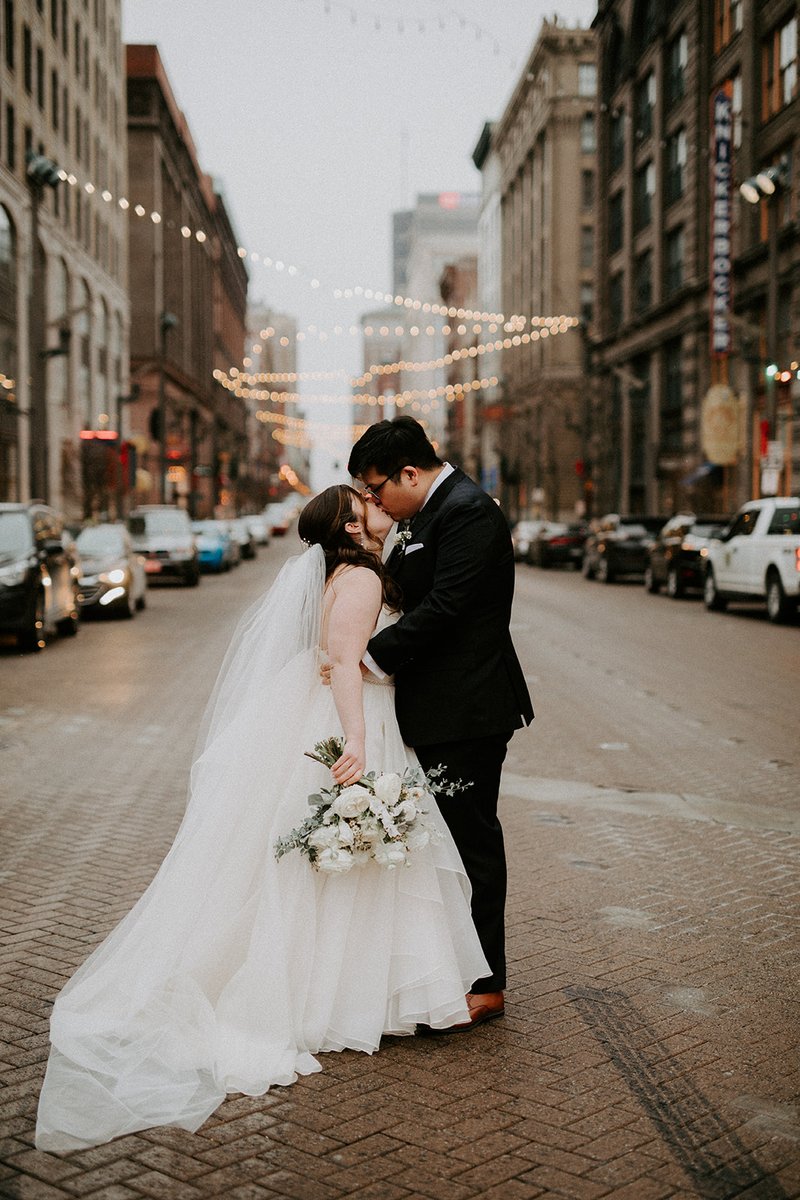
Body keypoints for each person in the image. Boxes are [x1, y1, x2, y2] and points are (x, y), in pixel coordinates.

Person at [35, 485, 488, 1154]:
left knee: (344, 859)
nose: (376, 502)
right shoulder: (362, 577)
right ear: (349, 525)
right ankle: (351, 997)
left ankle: (360, 990)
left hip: (338, 710)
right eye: (364, 500)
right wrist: (356, 741)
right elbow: (344, 662)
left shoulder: (340, 573)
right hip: (356, 718)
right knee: (353, 856)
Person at [348, 417, 534, 1032]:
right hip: (435, 708)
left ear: (409, 473)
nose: (375, 502)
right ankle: (451, 967)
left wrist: (369, 656)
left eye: (377, 488)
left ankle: (487, 983)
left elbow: (448, 605)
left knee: (471, 841)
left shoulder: (468, 512)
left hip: (466, 710)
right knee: (443, 844)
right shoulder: (425, 514)